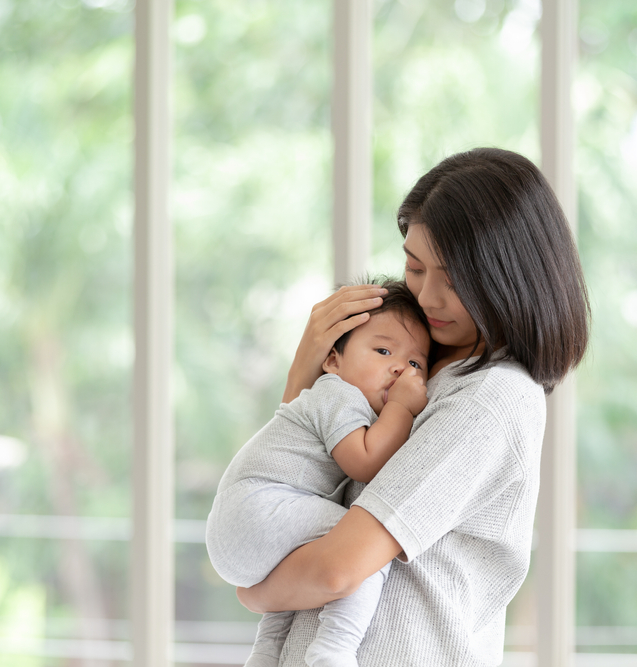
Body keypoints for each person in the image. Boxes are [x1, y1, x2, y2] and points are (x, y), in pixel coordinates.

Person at [236, 147, 591, 665]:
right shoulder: (411, 362)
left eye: (455, 278)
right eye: (415, 266)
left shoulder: (490, 399)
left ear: (509, 278)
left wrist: (257, 590)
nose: (428, 297)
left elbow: (336, 570)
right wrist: (306, 372)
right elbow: (294, 477)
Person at [206, 279, 431, 667]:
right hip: (259, 506)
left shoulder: (339, 401)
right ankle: (334, 650)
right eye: (382, 350)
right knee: (364, 553)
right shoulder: (335, 393)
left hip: (241, 524)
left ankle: (264, 654)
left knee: (302, 567)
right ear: (333, 361)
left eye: (415, 363)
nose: (399, 367)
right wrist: (403, 409)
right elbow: (364, 461)